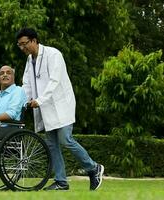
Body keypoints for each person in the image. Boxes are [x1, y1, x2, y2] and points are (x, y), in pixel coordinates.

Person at [15, 27, 104, 191]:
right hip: (45, 108)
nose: (23, 48)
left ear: (34, 41)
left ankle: (93, 168)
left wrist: (39, 100)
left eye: (24, 44)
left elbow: (54, 81)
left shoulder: (54, 54)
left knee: (66, 140)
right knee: (52, 145)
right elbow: (27, 83)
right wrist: (24, 101)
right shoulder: (29, 60)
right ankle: (61, 182)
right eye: (19, 45)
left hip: (61, 104)